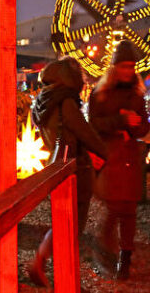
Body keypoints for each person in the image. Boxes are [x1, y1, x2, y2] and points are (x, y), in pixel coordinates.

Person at [27, 57, 109, 287]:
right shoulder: (65, 103)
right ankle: (62, 275)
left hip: (56, 165)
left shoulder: (43, 101)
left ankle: (45, 265)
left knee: (63, 219)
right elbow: (85, 133)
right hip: (75, 168)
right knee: (73, 225)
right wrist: (106, 153)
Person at [89, 40, 150, 280]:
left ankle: (125, 257)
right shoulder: (101, 94)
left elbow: (144, 125)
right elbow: (94, 123)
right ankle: (106, 251)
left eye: (131, 66)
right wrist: (120, 120)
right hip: (111, 157)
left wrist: (136, 126)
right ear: (115, 68)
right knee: (114, 208)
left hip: (130, 158)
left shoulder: (137, 94)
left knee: (129, 211)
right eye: (124, 66)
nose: (128, 71)